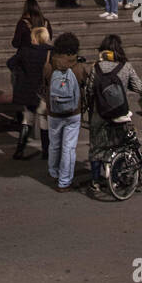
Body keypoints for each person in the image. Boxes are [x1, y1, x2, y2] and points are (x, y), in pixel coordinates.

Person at [84, 35, 142, 193]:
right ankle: (116, 179)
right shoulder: (126, 66)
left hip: (99, 114)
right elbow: (138, 87)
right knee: (120, 145)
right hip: (119, 113)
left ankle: (95, 181)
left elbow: (90, 90)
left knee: (96, 148)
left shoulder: (96, 67)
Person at [41, 31, 90, 191]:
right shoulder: (79, 67)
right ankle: (64, 181)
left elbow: (44, 85)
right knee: (68, 147)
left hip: (53, 112)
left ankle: (53, 171)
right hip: (73, 112)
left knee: (54, 143)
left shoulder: (49, 65)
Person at [8, 24, 53, 160]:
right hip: (43, 91)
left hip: (28, 90)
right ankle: (46, 151)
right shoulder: (51, 52)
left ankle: (20, 150)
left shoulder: (25, 51)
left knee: (27, 119)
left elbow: (10, 63)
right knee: (44, 120)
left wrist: (21, 73)